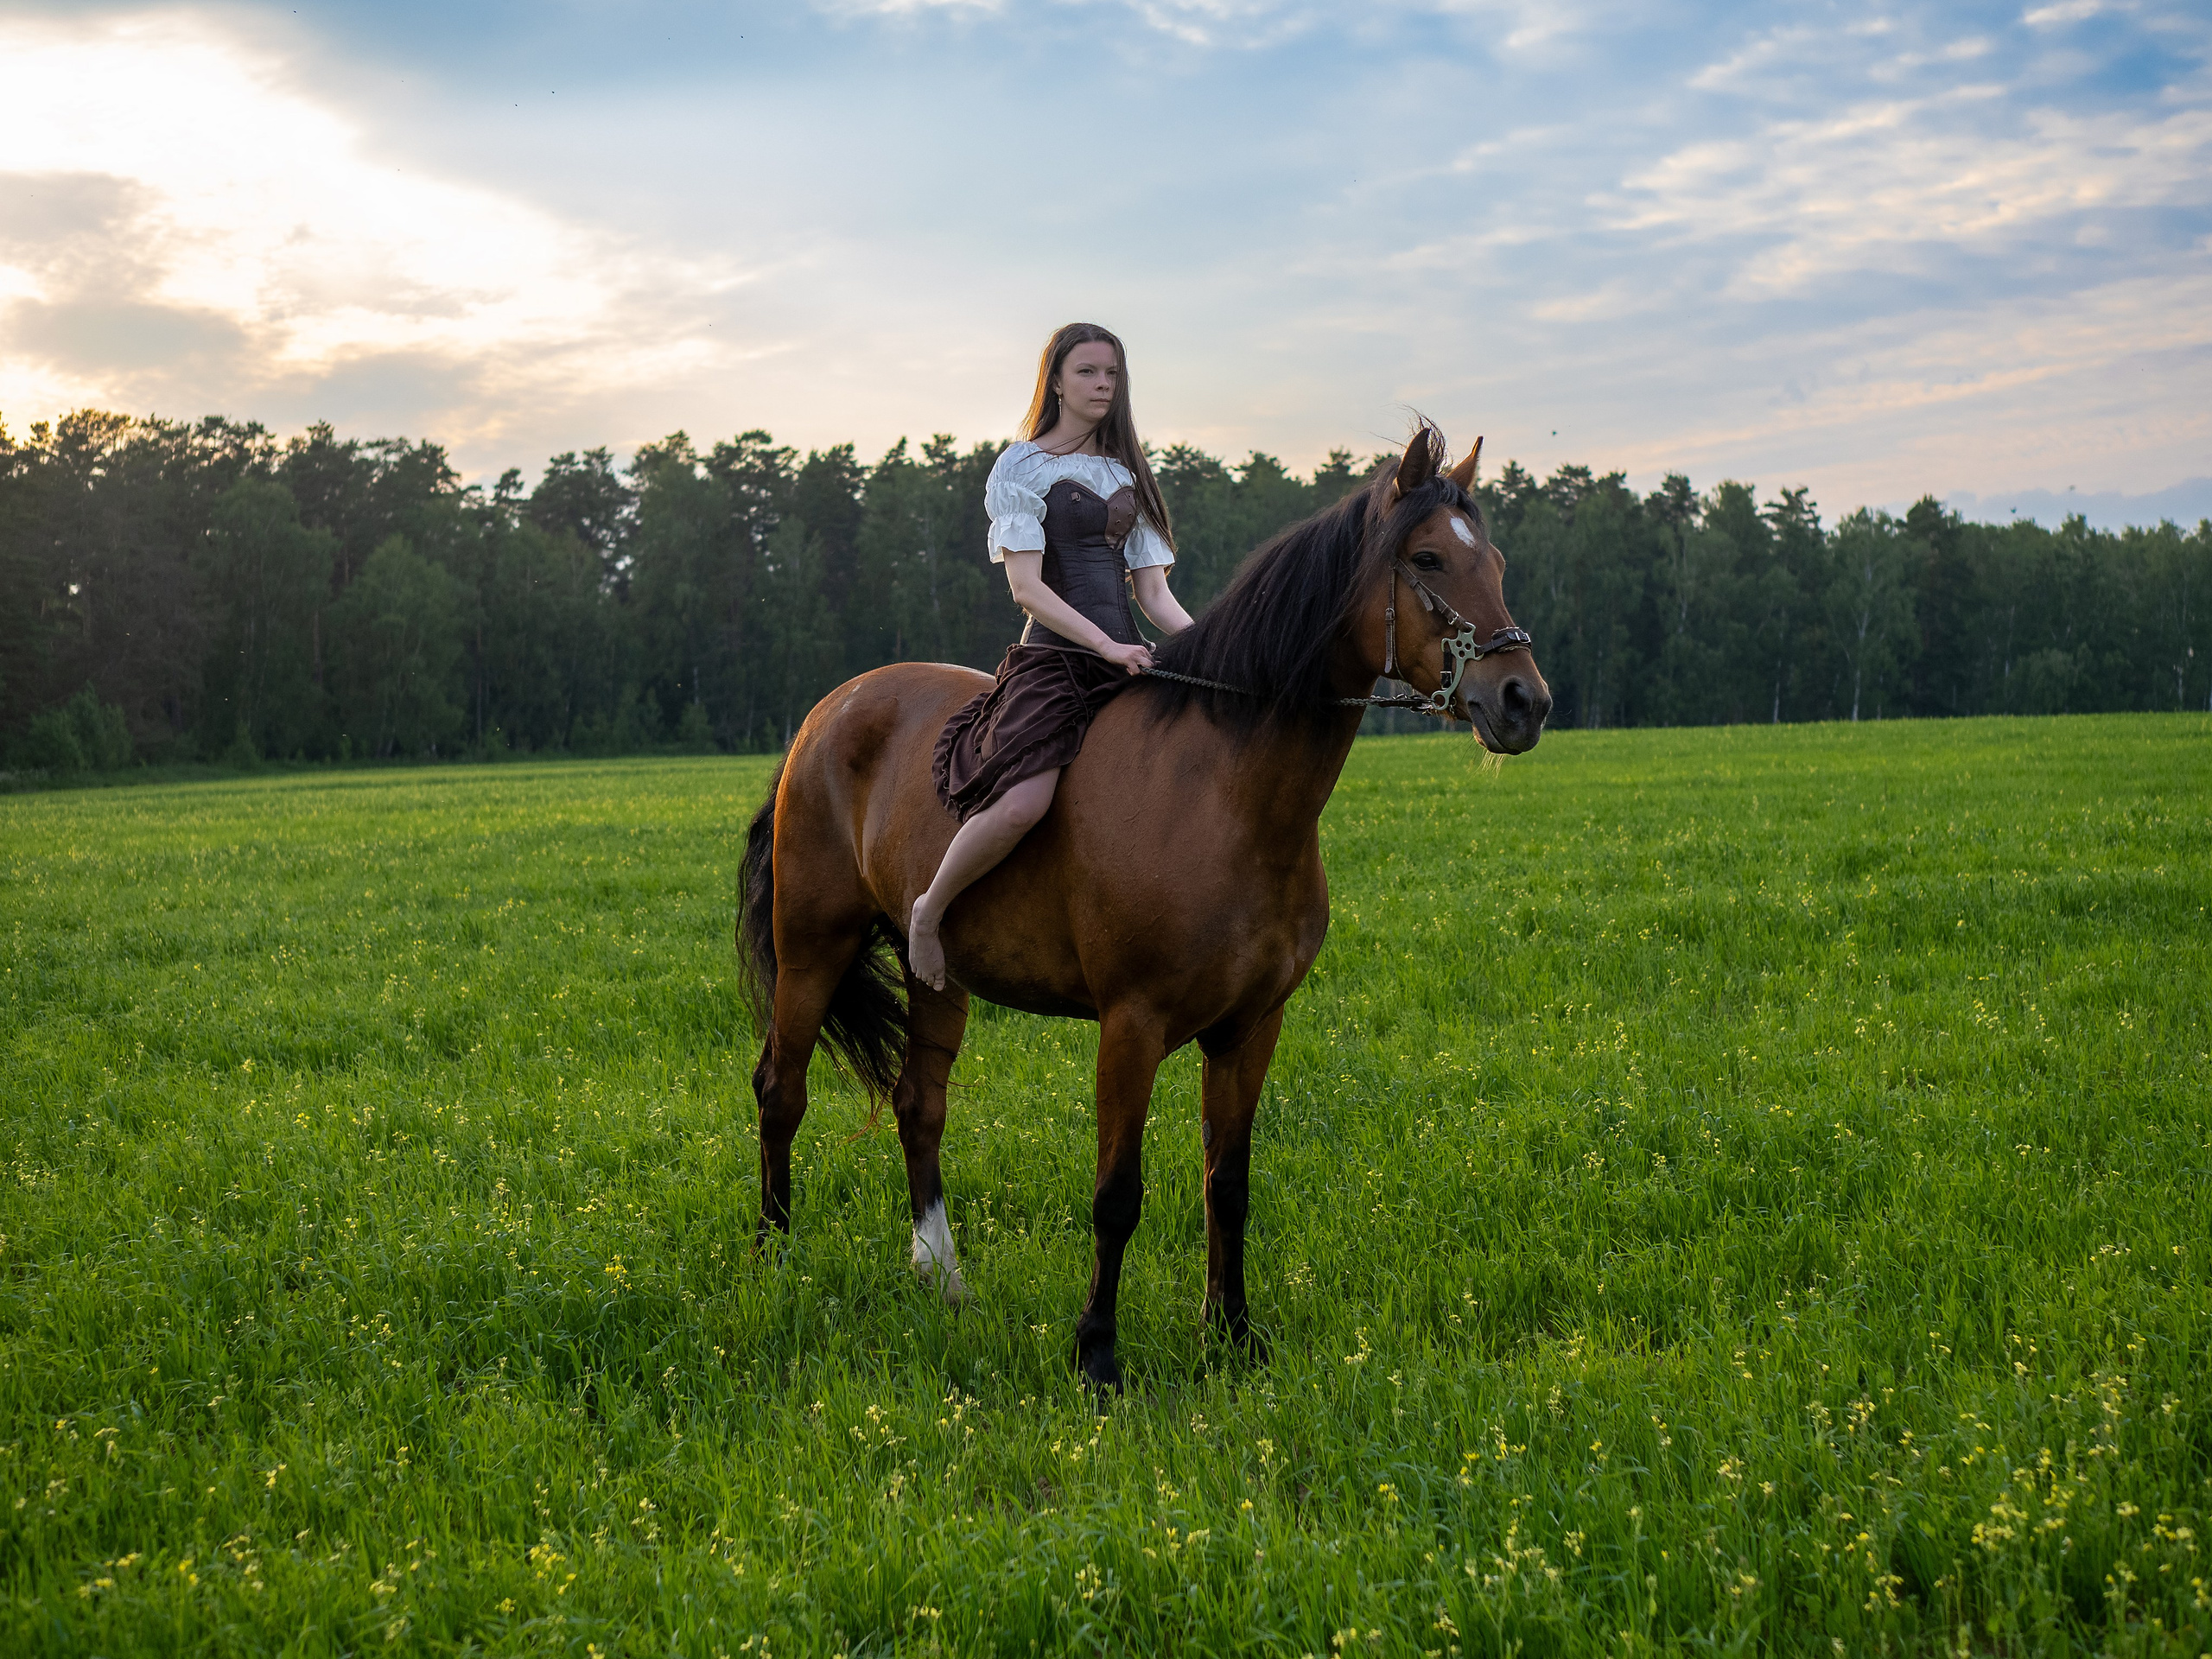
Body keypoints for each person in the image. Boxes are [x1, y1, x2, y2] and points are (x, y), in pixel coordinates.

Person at [913, 322, 1193, 991]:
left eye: (1112, 374)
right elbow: (1026, 588)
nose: (1103, 385)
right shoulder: (1023, 466)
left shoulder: (1128, 473)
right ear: (1058, 381)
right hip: (1058, 665)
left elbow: (1154, 594)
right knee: (1020, 807)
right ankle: (928, 911)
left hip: (1128, 659)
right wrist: (1104, 644)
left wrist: (1215, 650)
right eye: (1089, 372)